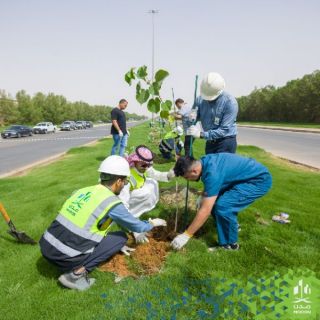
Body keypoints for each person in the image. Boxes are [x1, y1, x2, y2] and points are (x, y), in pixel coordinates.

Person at [39, 155, 167, 291]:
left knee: (103, 236)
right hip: (64, 257)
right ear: (118, 181)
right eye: (125, 181)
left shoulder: (82, 191)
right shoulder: (112, 202)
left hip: (46, 247)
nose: (124, 185)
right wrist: (152, 223)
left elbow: (86, 222)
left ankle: (76, 263)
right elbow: (137, 226)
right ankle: (75, 275)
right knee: (121, 238)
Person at [170, 154, 272, 251]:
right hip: (243, 177)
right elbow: (211, 182)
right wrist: (204, 195)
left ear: (194, 171)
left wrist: (186, 235)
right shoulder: (204, 162)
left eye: (187, 177)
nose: (189, 180)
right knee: (215, 204)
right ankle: (232, 226)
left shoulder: (212, 173)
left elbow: (205, 211)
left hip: (258, 181)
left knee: (223, 206)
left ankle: (230, 246)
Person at [119, 145, 175, 244]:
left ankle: (139, 210)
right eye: (143, 165)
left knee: (153, 183)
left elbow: (155, 174)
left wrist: (168, 175)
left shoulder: (143, 167)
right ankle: (134, 215)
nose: (146, 168)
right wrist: (135, 228)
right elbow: (122, 204)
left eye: (148, 165)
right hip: (121, 200)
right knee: (144, 193)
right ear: (135, 162)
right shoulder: (127, 178)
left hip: (132, 195)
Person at [187, 72, 239, 154]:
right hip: (210, 141)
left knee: (223, 166)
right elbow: (192, 120)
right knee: (210, 166)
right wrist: (191, 118)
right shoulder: (199, 100)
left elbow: (224, 130)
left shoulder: (230, 102)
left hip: (226, 141)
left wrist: (201, 134)